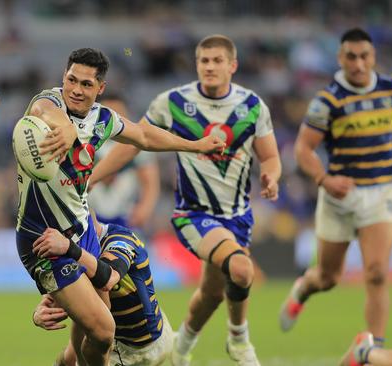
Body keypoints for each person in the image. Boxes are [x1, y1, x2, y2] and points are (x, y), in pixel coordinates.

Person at [15, 47, 224, 365]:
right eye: (71, 79)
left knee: (88, 337)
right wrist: (67, 127)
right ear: (63, 77)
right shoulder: (48, 102)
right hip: (43, 238)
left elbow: (143, 136)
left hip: (82, 229)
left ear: (100, 89)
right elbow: (46, 113)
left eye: (86, 84)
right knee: (102, 330)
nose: (75, 89)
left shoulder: (102, 119)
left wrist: (194, 145)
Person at [91, 35, 282, 366]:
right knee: (240, 268)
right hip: (193, 214)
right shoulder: (173, 102)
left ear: (232, 66)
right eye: (203, 61)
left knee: (209, 294)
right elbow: (134, 142)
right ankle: (239, 341)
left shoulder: (252, 107)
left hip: (237, 217)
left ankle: (180, 347)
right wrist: (89, 179)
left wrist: (272, 176)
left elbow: (270, 156)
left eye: (217, 61)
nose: (209, 66)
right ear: (196, 65)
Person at [279, 28, 392, 349]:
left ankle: (374, 349)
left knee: (376, 273)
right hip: (339, 196)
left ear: (374, 57)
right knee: (329, 278)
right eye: (351, 57)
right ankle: (304, 287)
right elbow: (303, 149)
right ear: (340, 58)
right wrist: (324, 180)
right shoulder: (327, 101)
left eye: (364, 56)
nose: (358, 64)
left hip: (381, 191)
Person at [32, 221, 174, 366]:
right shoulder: (71, 247)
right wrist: (40, 312)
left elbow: (108, 278)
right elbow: (67, 295)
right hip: (124, 337)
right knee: (67, 358)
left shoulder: (119, 239)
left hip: (140, 349)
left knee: (86, 347)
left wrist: (69, 248)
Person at [87, 94, 160, 230]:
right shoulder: (85, 140)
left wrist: (145, 208)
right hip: (88, 214)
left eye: (119, 114)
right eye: (109, 113)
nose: (114, 120)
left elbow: (150, 181)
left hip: (125, 215)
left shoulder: (136, 144)